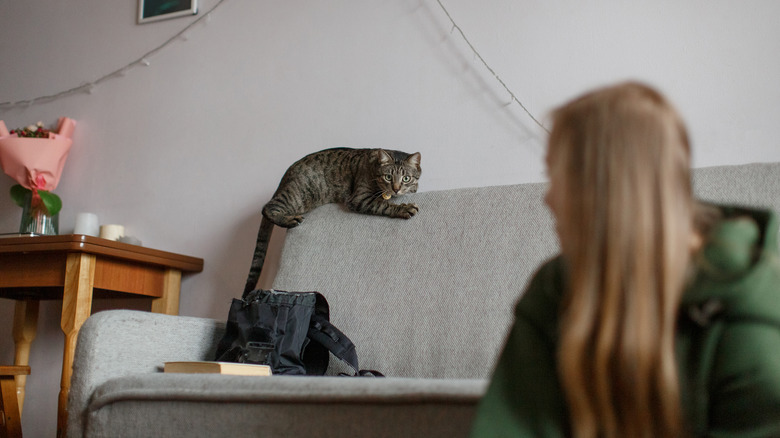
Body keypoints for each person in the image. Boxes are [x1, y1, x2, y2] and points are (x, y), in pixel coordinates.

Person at [470, 82, 780, 437]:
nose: (548, 198)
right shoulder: (556, 286)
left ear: (609, 187)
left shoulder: (750, 332)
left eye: (559, 175)